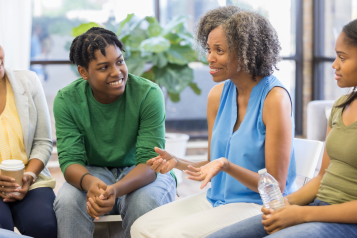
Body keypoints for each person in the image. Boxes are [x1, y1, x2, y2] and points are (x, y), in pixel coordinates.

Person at [131, 6, 296, 238]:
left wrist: (226, 165)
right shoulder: (217, 96)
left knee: (171, 235)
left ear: (247, 51)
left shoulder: (274, 99)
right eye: (209, 49)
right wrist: (176, 162)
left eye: (219, 50)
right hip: (216, 198)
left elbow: (275, 184)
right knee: (140, 227)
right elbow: (212, 164)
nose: (209, 58)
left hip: (258, 204)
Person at [207, 18, 357, 238]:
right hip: (317, 207)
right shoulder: (340, 106)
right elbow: (322, 176)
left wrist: (302, 215)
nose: (334, 64)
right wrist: (285, 204)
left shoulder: (274, 96)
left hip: (344, 222)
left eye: (342, 57)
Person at [53, 27, 176, 238]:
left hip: (141, 172)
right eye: (103, 67)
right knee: (67, 202)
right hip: (94, 171)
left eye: (120, 61)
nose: (116, 72)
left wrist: (116, 190)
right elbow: (70, 161)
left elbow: (150, 162)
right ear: (83, 72)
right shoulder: (67, 100)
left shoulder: (148, 94)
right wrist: (90, 183)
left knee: (144, 203)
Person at [0, 45, 57, 238]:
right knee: (2, 229)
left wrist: (29, 175)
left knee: (45, 226)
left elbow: (42, 142)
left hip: (31, 178)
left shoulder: (28, 81)